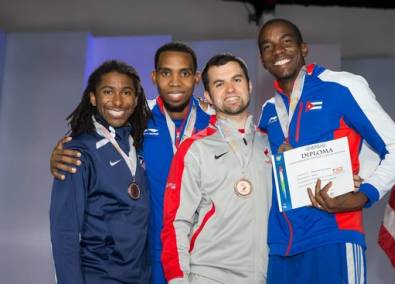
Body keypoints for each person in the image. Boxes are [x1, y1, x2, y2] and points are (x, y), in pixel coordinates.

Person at [257, 18, 395, 283]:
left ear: (303, 48)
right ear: (262, 59)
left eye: (286, 41)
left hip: (334, 235)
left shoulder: (341, 86)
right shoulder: (268, 111)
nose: (278, 51)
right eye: (268, 46)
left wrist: (363, 195)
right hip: (282, 247)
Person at [49, 42, 212, 284]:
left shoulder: (214, 124)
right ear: (155, 77)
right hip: (147, 260)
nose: (175, 82)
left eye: (184, 73)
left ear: (197, 78)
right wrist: (59, 154)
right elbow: (65, 230)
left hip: (204, 257)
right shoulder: (142, 121)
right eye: (166, 73)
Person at [161, 53, 272, 284]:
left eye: (237, 80)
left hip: (267, 275)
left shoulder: (272, 143)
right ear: (208, 96)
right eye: (219, 84)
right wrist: (178, 280)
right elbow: (176, 222)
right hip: (207, 276)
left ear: (250, 86)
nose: (230, 89)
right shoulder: (194, 149)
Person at [50, 60, 151, 283]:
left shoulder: (141, 144)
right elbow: (64, 230)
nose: (117, 101)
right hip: (97, 276)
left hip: (141, 277)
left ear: (136, 99)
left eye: (126, 92)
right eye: (108, 91)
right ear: (93, 98)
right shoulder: (76, 152)